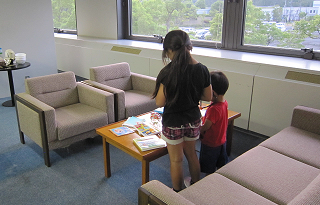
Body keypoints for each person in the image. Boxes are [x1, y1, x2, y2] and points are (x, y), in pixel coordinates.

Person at [152, 30, 212, 192]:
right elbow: (208, 96)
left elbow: (159, 102)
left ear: (169, 50)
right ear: (188, 46)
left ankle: (176, 193)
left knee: (176, 160)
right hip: (193, 119)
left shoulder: (167, 72)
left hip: (172, 123)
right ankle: (195, 186)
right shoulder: (202, 69)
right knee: (192, 154)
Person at [199, 71, 229, 175]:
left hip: (210, 144)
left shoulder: (214, 109)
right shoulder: (224, 103)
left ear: (214, 93)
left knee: (208, 167)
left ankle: (208, 183)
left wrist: (198, 128)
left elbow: (205, 127)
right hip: (221, 141)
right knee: (218, 163)